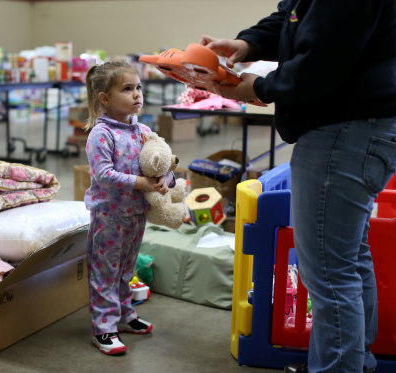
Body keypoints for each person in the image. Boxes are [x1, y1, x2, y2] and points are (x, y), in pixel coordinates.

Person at [199, 1, 396, 372]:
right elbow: (294, 17)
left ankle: (340, 366)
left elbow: (325, 58)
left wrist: (258, 87)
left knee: (329, 270)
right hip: (361, 127)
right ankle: (355, 360)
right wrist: (248, 44)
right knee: (347, 256)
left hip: (344, 131)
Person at [83, 61, 174, 355]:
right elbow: (104, 175)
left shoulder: (144, 131)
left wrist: (165, 181)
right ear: (105, 99)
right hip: (109, 216)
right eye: (127, 89)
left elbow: (162, 162)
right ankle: (103, 328)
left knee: (125, 269)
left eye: (138, 87)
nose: (137, 94)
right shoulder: (102, 134)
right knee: (105, 272)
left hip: (136, 215)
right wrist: (144, 183)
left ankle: (124, 316)